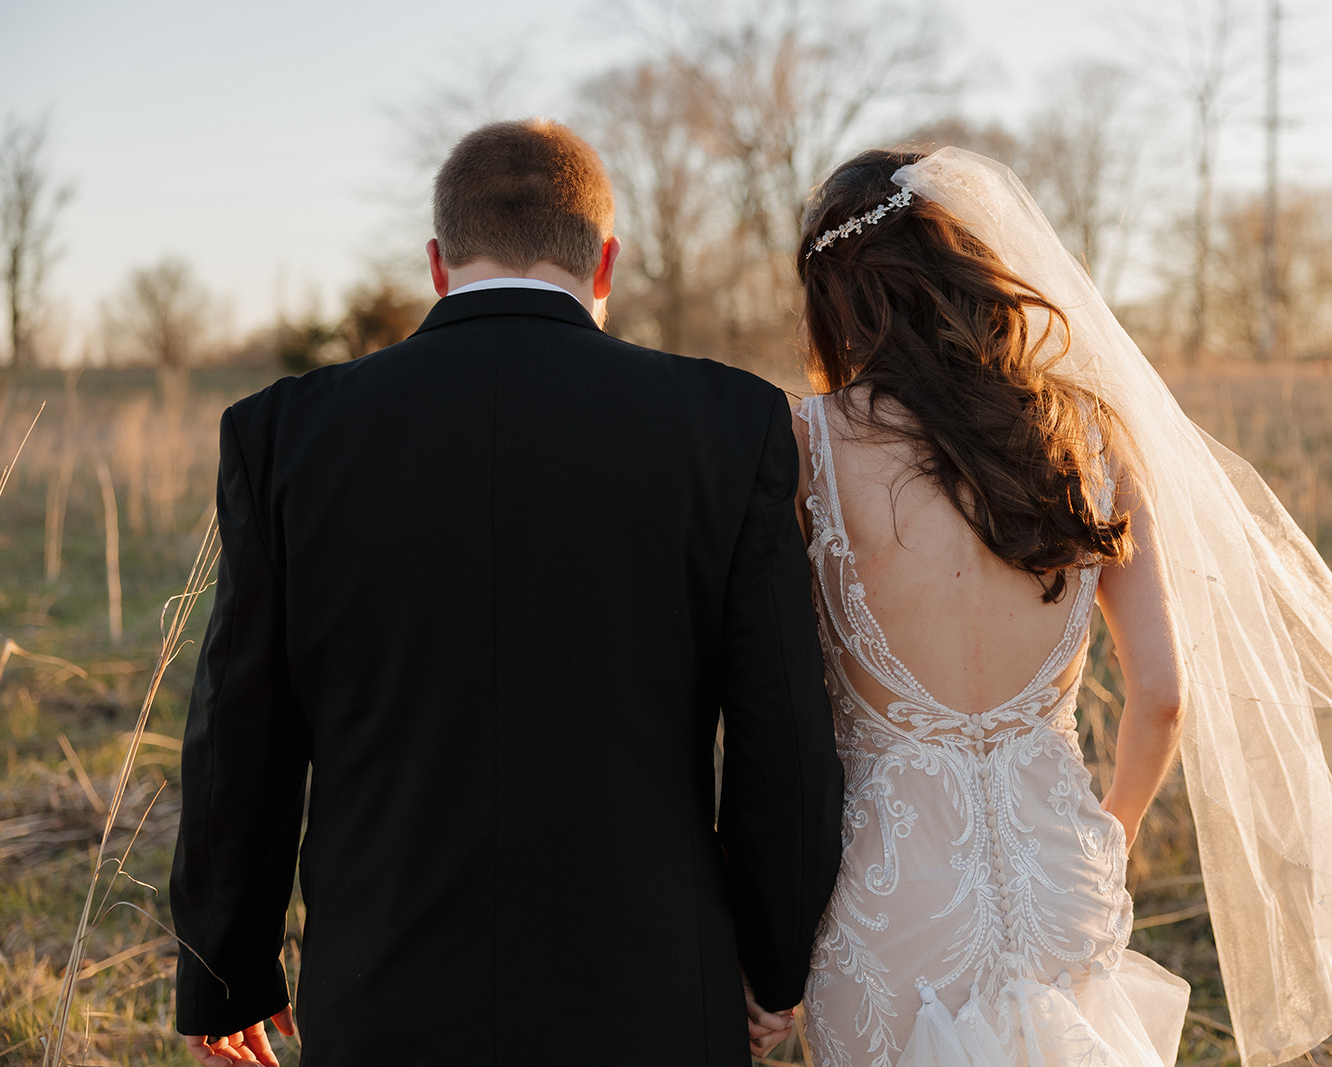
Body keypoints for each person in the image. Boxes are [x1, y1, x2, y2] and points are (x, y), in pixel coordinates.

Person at [782, 147, 1332, 1067]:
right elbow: (1161, 695)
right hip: (1059, 877)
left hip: (888, 895)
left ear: (837, 292)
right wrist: (1109, 828)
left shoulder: (808, 445)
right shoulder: (1090, 439)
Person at [168, 118, 845, 1067]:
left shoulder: (285, 435)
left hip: (380, 991)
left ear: (439, 264)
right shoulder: (728, 425)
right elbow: (786, 737)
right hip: (650, 993)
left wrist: (226, 966)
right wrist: (774, 965)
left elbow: (240, 730)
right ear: (604, 263)